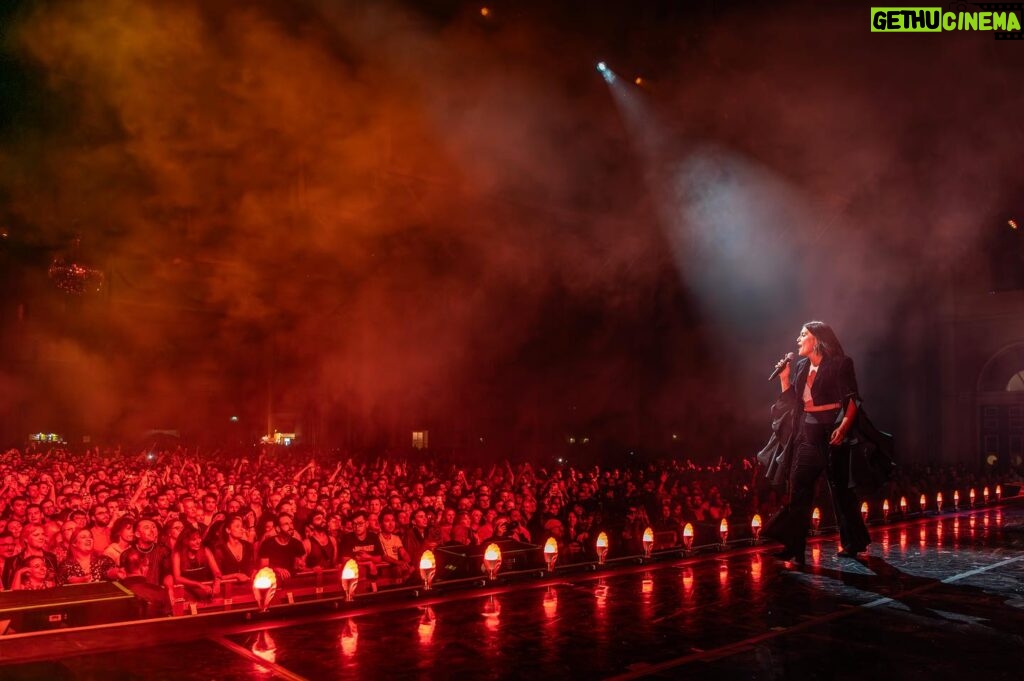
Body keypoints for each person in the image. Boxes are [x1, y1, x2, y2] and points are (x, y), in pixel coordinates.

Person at [762, 321, 872, 565]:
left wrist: (843, 428)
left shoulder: (841, 364)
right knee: (798, 490)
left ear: (818, 339)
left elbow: (852, 400)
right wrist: (784, 378)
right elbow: (792, 403)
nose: (798, 339)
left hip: (832, 433)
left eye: (803, 335)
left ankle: (853, 542)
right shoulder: (801, 367)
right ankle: (794, 547)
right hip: (807, 435)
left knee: (840, 491)